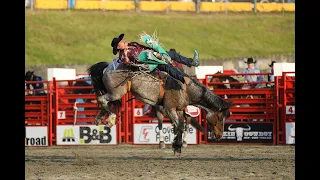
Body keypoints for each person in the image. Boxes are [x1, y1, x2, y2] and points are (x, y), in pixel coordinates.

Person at [110, 32, 199, 84]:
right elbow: (127, 63)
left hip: (152, 54)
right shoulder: (122, 56)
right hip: (148, 64)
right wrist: (125, 55)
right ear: (118, 47)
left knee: (172, 54)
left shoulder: (132, 44)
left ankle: (191, 62)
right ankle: (184, 79)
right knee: (166, 67)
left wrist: (155, 50)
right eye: (121, 42)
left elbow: (144, 47)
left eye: (122, 40)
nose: (124, 41)